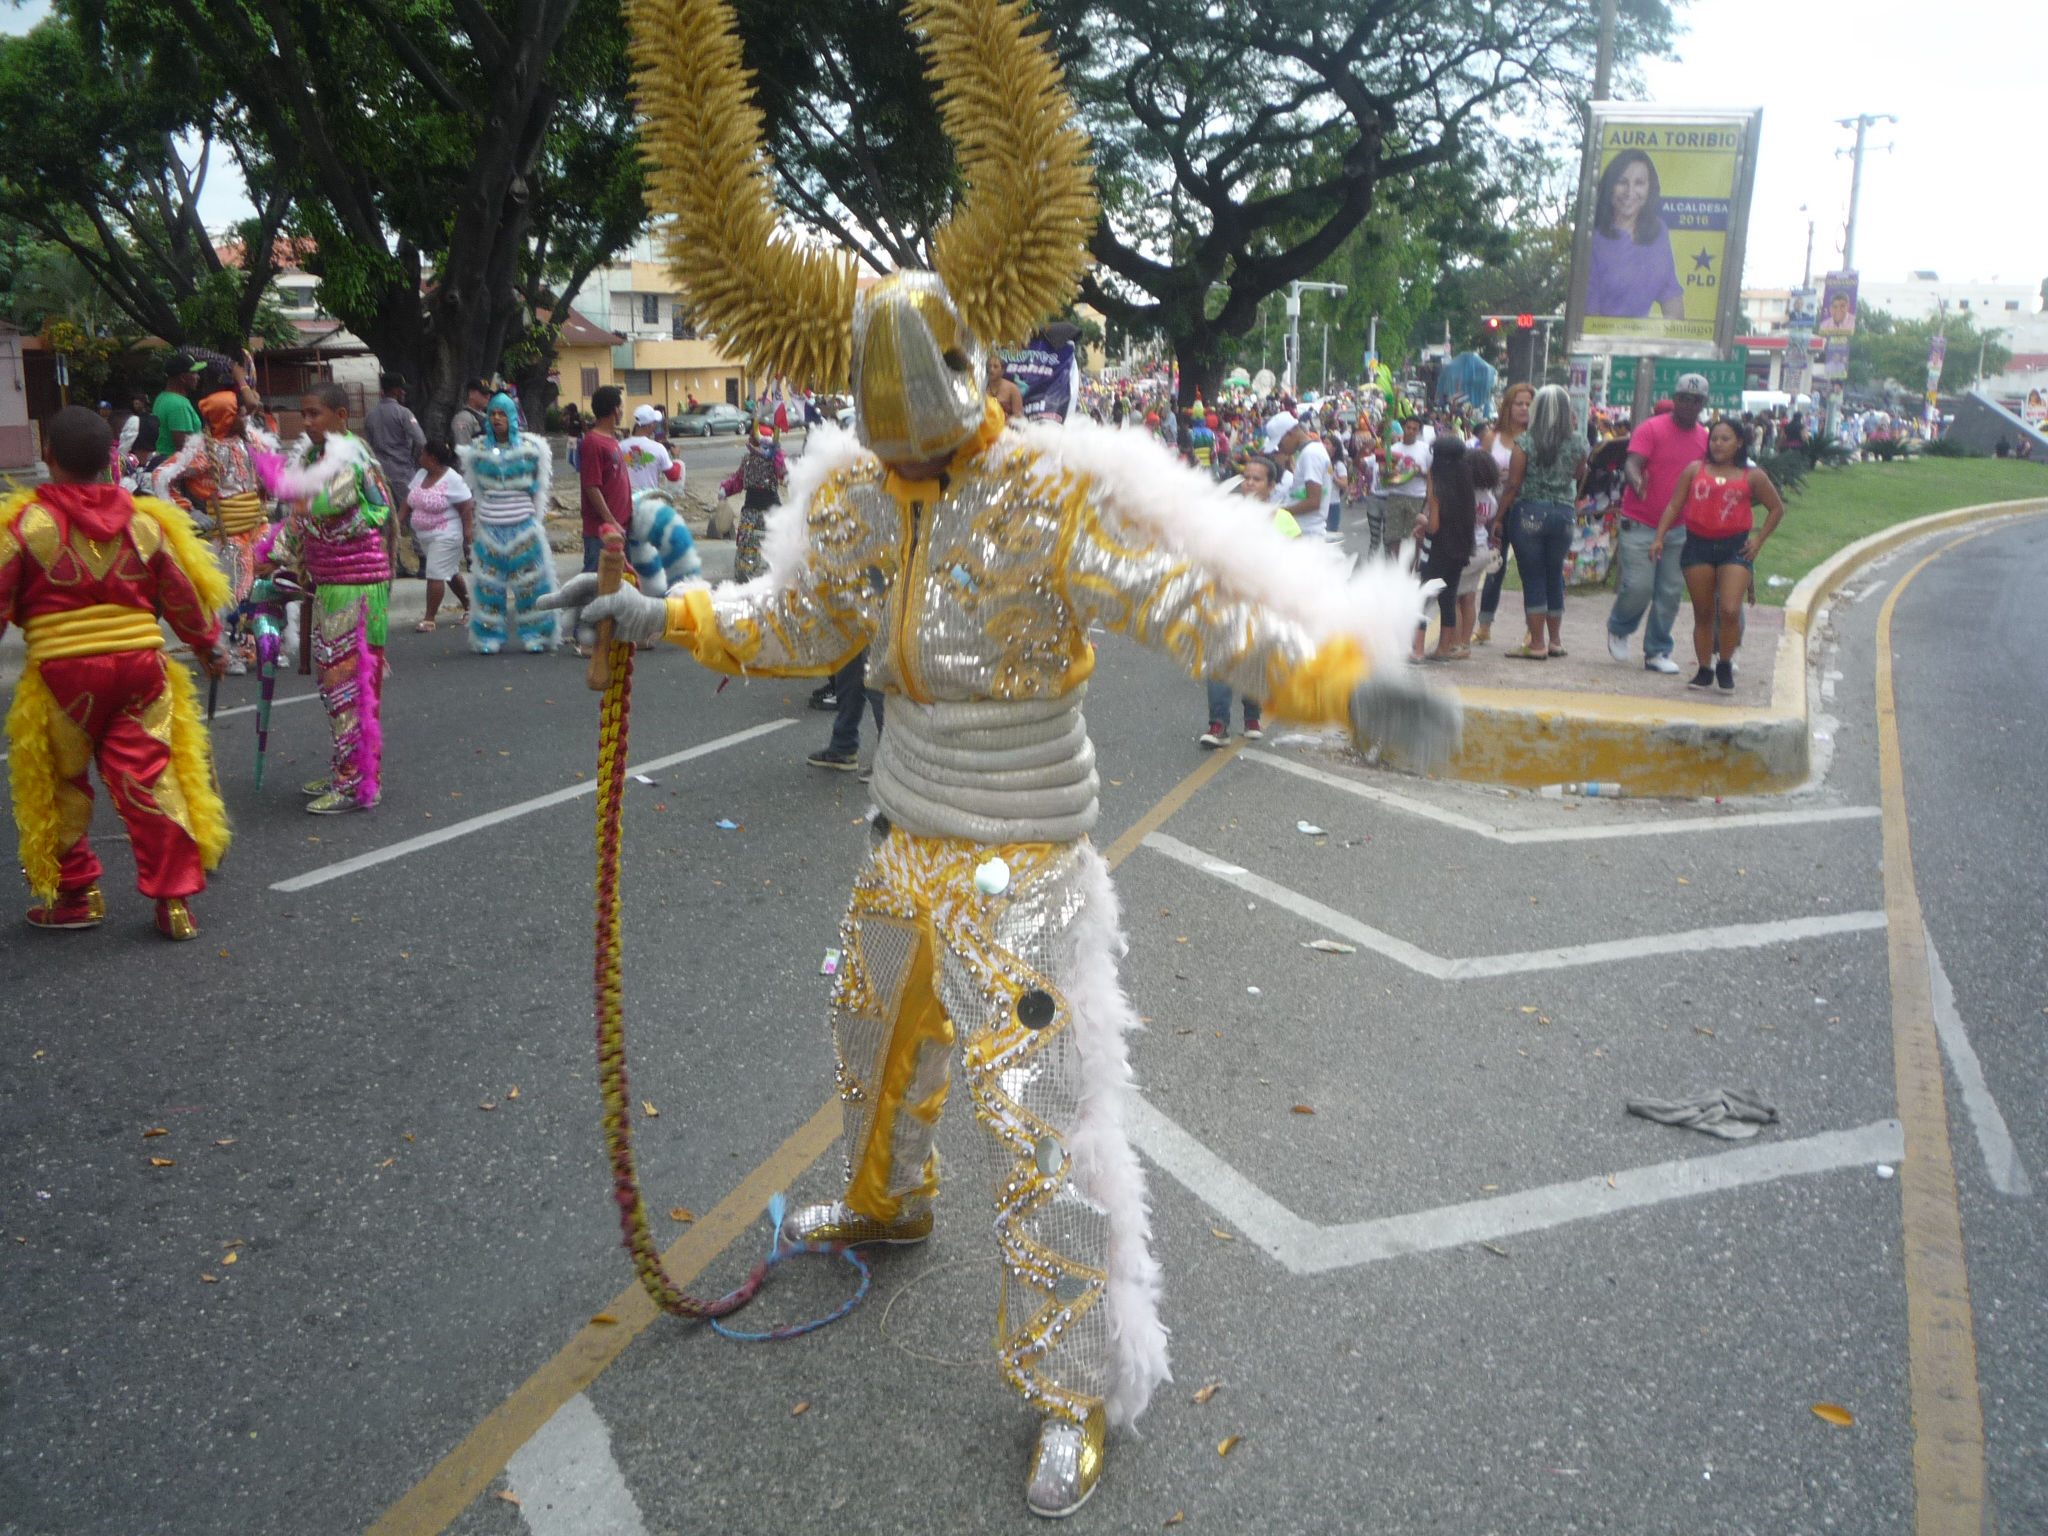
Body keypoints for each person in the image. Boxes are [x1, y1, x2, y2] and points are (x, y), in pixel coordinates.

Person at [542, 39, 1457, 1500]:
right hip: (905, 833)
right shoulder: (853, 493)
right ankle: (886, 1205)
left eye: (926, 442)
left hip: (1027, 865)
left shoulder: (1043, 490)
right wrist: (666, 616)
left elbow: (1183, 608)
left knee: (1039, 1131)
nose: (910, 465)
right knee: (866, 1033)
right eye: (888, 448)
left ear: (972, 390)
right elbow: (798, 623)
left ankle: (1079, 1388)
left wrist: (1341, 678)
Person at [0, 406, 230, 939]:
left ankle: (78, 898)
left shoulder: (26, 525)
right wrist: (207, 646)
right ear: (111, 457)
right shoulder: (145, 521)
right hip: (141, 672)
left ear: (47, 455)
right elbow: (182, 595)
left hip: (63, 680)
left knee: (62, 787)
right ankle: (174, 903)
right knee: (150, 781)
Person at [259, 383, 396, 815]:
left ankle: (355, 783)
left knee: (348, 685)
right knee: (334, 683)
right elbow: (303, 517)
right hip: (332, 582)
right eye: (304, 413)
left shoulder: (353, 456)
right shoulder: (319, 457)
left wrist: (307, 522)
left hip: (356, 584)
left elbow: (378, 511)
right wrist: (275, 556)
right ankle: (351, 768)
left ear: (341, 414)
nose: (307, 421)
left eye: (315, 413)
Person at [1649, 418, 1786, 692]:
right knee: (1703, 613)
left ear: (1739, 443)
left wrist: (1758, 541)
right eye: (1714, 438)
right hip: (1698, 546)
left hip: (1735, 548)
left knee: (1730, 609)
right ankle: (1704, 669)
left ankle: (1725, 662)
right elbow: (1675, 504)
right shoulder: (1694, 470)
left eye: (1725, 439)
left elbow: (1776, 508)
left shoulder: (1753, 475)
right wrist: (1659, 537)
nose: (1718, 444)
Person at [153, 390, 278, 673]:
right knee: (234, 591)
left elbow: (272, 470)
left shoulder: (253, 441)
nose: (246, 418)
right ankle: (233, 652)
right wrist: (188, 511)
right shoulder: (202, 451)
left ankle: (269, 644)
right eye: (240, 413)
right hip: (228, 532)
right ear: (226, 417)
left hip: (259, 526)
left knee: (267, 586)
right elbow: (161, 477)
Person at [1606, 373, 1709, 673]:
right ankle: (1620, 626)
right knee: (1639, 586)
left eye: (1696, 400)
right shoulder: (1651, 429)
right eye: (1684, 399)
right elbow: (1632, 463)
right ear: (1675, 399)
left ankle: (1657, 650)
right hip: (1640, 522)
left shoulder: (1704, 438)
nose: (1689, 405)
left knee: (1669, 591)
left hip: (1678, 527)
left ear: (1703, 404)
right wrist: (1637, 483)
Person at [462, 391, 559, 654]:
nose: (496, 418)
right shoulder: (477, 450)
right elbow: (476, 492)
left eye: (502, 413)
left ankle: (536, 633)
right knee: (488, 587)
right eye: (492, 413)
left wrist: (532, 521)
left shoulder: (531, 448)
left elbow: (538, 490)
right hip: (490, 530)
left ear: (512, 416)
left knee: (531, 585)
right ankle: (487, 637)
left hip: (523, 530)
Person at [1501, 384, 1587, 660]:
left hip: (1529, 514)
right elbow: (1578, 474)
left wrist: (1499, 515)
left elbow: (1513, 484)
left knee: (1533, 577)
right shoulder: (1578, 442)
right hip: (1563, 514)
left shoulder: (1525, 443)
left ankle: (1536, 643)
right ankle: (1556, 641)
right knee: (1554, 575)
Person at [1199, 456, 1280, 743]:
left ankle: (1252, 716)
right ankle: (1218, 724)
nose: (1249, 483)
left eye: (1257, 479)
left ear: (1271, 486)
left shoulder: (1282, 520)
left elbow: (1293, 565)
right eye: (1246, 477)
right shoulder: (1226, 512)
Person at [1584, 149, 1684, 321]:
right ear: (1610, 186)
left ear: (1650, 188)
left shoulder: (1659, 232)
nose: (1629, 192)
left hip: (1644, 343)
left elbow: (1672, 298)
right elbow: (1589, 315)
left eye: (1639, 183)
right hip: (1603, 343)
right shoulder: (1594, 240)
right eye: (1622, 182)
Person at [1474, 382, 1533, 644]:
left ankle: (1533, 629)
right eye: (1518, 403)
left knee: (1528, 570)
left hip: (1523, 509)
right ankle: (1484, 625)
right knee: (1493, 566)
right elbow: (1476, 469)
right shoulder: (1492, 438)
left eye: (1528, 404)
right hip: (1493, 510)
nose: (1523, 408)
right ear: (1507, 406)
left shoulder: (1535, 438)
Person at [1411, 437, 1477, 661]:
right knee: (1448, 598)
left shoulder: (1437, 481)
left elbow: (1434, 525)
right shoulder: (1465, 480)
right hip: (1459, 549)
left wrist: (1421, 519)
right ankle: (1443, 649)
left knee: (1422, 596)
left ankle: (1417, 650)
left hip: (1437, 549)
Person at [404, 440, 474, 631]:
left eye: (423, 454)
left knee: (435, 573)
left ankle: (429, 618)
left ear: (432, 458)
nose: (420, 458)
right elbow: (408, 501)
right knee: (449, 572)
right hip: (425, 536)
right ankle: (470, 607)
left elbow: (466, 505)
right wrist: (397, 521)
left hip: (446, 534)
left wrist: (468, 533)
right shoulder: (421, 474)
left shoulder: (453, 479)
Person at [721, 423, 786, 582]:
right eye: (757, 442)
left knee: (775, 543)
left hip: (771, 509)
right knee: (747, 543)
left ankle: (777, 574)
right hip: (751, 508)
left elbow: (784, 473)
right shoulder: (747, 460)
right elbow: (738, 480)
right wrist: (726, 489)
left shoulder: (774, 461)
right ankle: (745, 575)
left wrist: (777, 455)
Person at [578, 386, 629, 581]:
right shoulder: (593, 442)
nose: (622, 411)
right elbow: (591, 486)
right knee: (594, 584)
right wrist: (610, 520)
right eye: (621, 406)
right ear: (616, 410)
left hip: (620, 527)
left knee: (617, 585)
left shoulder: (611, 439)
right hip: (601, 532)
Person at [1381, 414, 1430, 566]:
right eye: (1408, 428)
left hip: (1417, 497)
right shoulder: (1394, 449)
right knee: (1393, 536)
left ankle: (1411, 569)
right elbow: (1384, 476)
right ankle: (1395, 569)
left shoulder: (1425, 449)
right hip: (1396, 496)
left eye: (1414, 429)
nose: (1410, 431)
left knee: (1414, 536)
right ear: (1404, 428)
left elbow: (1431, 476)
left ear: (1418, 431)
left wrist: (1420, 472)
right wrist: (1388, 473)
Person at [1279, 418, 1334, 539]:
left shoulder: (1311, 454)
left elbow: (1313, 501)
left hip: (1307, 532)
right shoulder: (1312, 450)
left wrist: (1281, 512)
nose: (1281, 449)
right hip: (1307, 530)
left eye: (1280, 443)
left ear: (1289, 434)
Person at [151, 354, 204, 457]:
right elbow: (184, 447)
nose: (198, 377)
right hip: (175, 466)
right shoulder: (179, 405)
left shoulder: (162, 397)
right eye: (194, 373)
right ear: (183, 378)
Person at [624, 404, 685, 492]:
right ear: (650, 425)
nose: (655, 426)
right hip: (648, 499)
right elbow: (673, 476)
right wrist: (676, 458)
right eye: (654, 423)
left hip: (626, 498)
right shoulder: (658, 448)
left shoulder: (620, 446)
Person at [451, 379, 492, 449]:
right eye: (483, 393)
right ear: (471, 394)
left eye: (488, 393)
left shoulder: (486, 416)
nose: (488, 396)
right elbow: (463, 449)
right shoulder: (464, 418)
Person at [988, 355, 1025, 420]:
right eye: (989, 366)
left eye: (995, 367)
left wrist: (1002, 423)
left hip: (1008, 427)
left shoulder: (1012, 388)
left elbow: (1018, 415)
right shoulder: (981, 387)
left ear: (1002, 371)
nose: (991, 369)